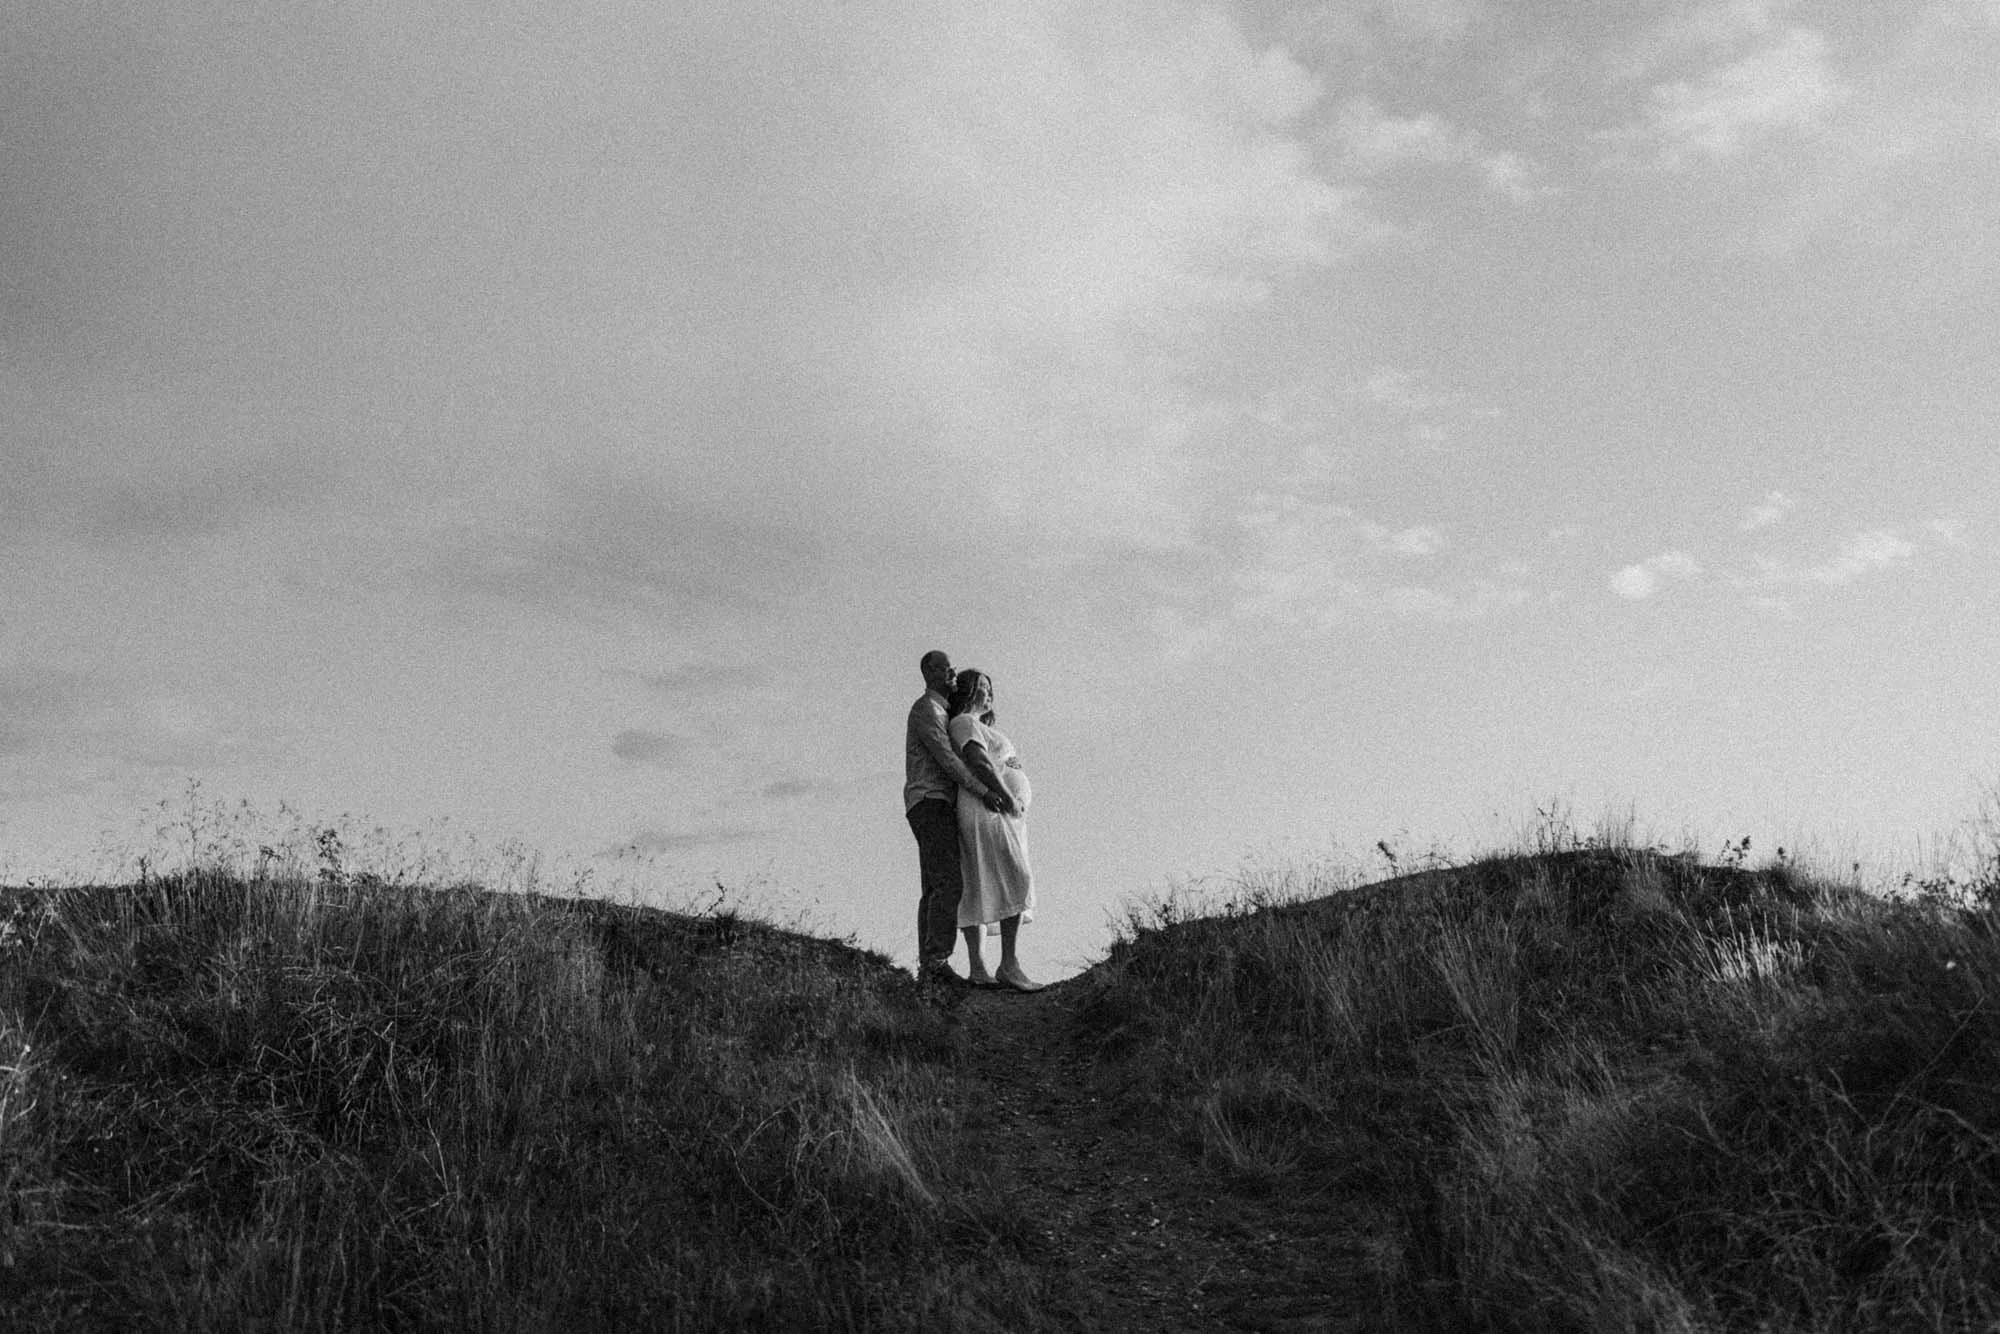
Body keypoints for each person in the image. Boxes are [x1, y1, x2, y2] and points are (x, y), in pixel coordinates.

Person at [906, 650, 1014, 985]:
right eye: (946, 669)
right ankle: (937, 962)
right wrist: (984, 791)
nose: (953, 673)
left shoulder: (943, 711)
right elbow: (948, 760)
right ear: (929, 672)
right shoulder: (927, 709)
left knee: (935, 884)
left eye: (953, 669)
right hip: (930, 800)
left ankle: (930, 963)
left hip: (936, 803)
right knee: (948, 882)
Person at [947, 668, 1042, 992]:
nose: (989, 693)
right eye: (982, 687)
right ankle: (1007, 965)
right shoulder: (964, 722)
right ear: (968, 690)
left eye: (990, 688)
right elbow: (979, 761)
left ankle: (980, 969)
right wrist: (1007, 795)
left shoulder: (983, 727)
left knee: (981, 880)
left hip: (1001, 811)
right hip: (986, 808)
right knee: (1014, 877)